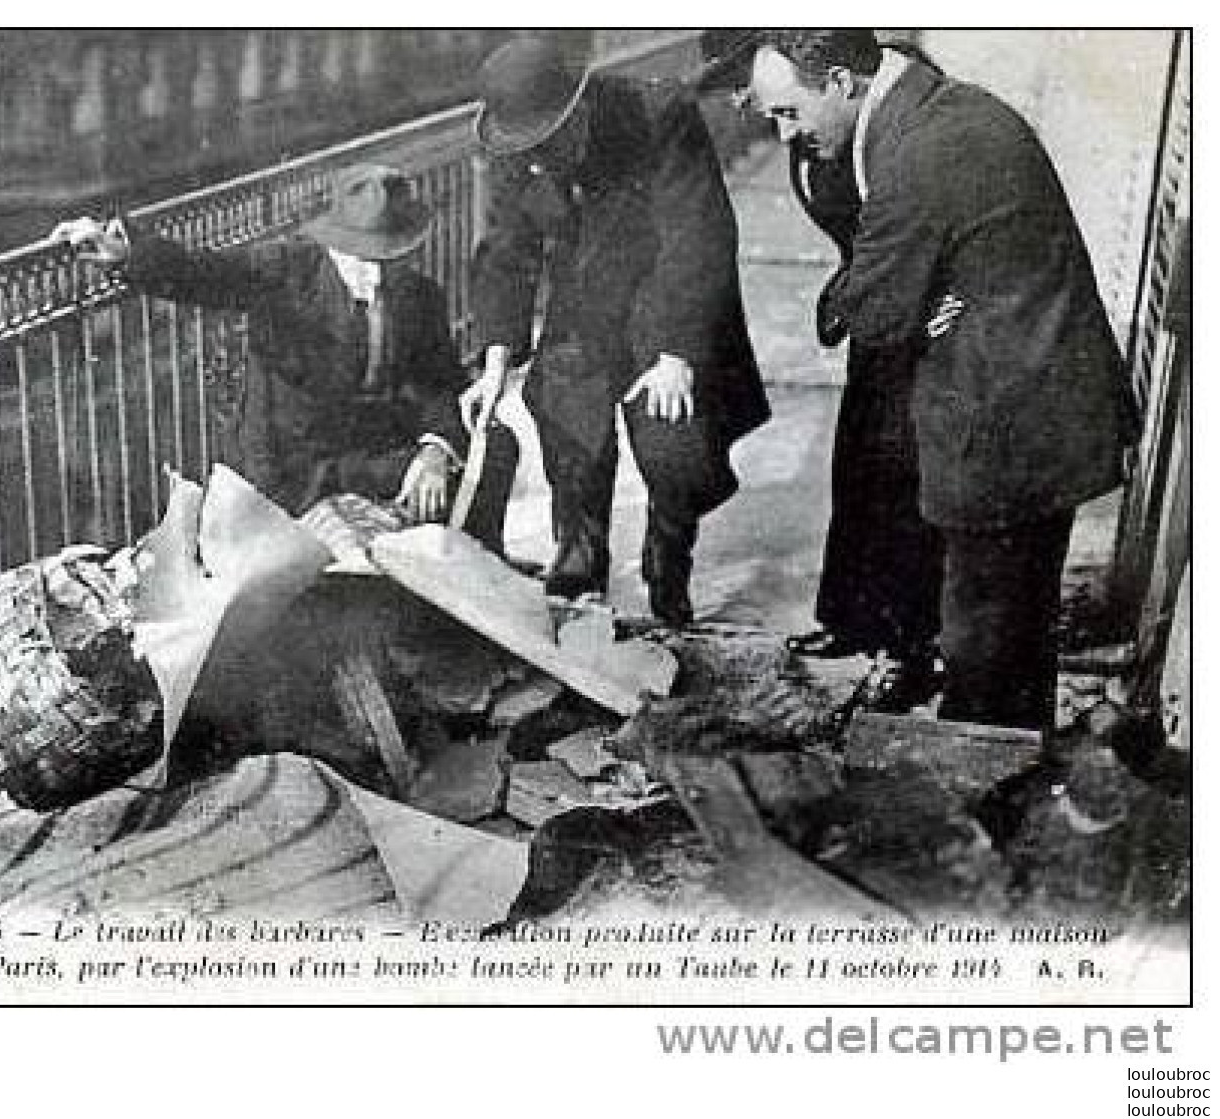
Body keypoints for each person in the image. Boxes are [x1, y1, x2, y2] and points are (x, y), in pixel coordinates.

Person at [746, 30, 1138, 731]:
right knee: (1010, 637)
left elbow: (869, 312)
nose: (785, 135)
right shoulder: (936, 112)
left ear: (839, 83)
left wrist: (907, 299)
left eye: (788, 112)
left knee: (985, 646)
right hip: (1026, 404)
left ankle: (986, 805)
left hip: (1012, 430)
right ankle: (1010, 777)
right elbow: (892, 298)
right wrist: (929, 296)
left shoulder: (922, 154)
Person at [52, 163, 518, 551]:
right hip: (298, 467)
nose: (383, 269)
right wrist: (124, 251)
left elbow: (438, 383)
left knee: (493, 452)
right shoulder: (288, 272)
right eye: (370, 256)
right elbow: (204, 273)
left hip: (374, 457)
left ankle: (472, 593)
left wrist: (435, 451)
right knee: (360, 566)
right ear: (337, 243)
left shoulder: (419, 295)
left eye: (394, 255)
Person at [467, 36, 769, 627]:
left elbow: (698, 233)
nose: (542, 157)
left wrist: (679, 352)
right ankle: (579, 564)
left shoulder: (659, 116)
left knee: (673, 444)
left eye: (551, 141)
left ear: (577, 107)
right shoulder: (516, 141)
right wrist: (496, 359)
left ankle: (668, 560)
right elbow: (506, 251)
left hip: (665, 300)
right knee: (565, 421)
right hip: (584, 304)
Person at [700, 30, 944, 711]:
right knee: (858, 467)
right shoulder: (802, 130)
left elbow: (900, 231)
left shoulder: (871, 120)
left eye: (745, 82)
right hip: (874, 308)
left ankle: (906, 647)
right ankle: (851, 617)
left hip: (913, 315)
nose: (745, 102)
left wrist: (858, 289)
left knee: (903, 480)